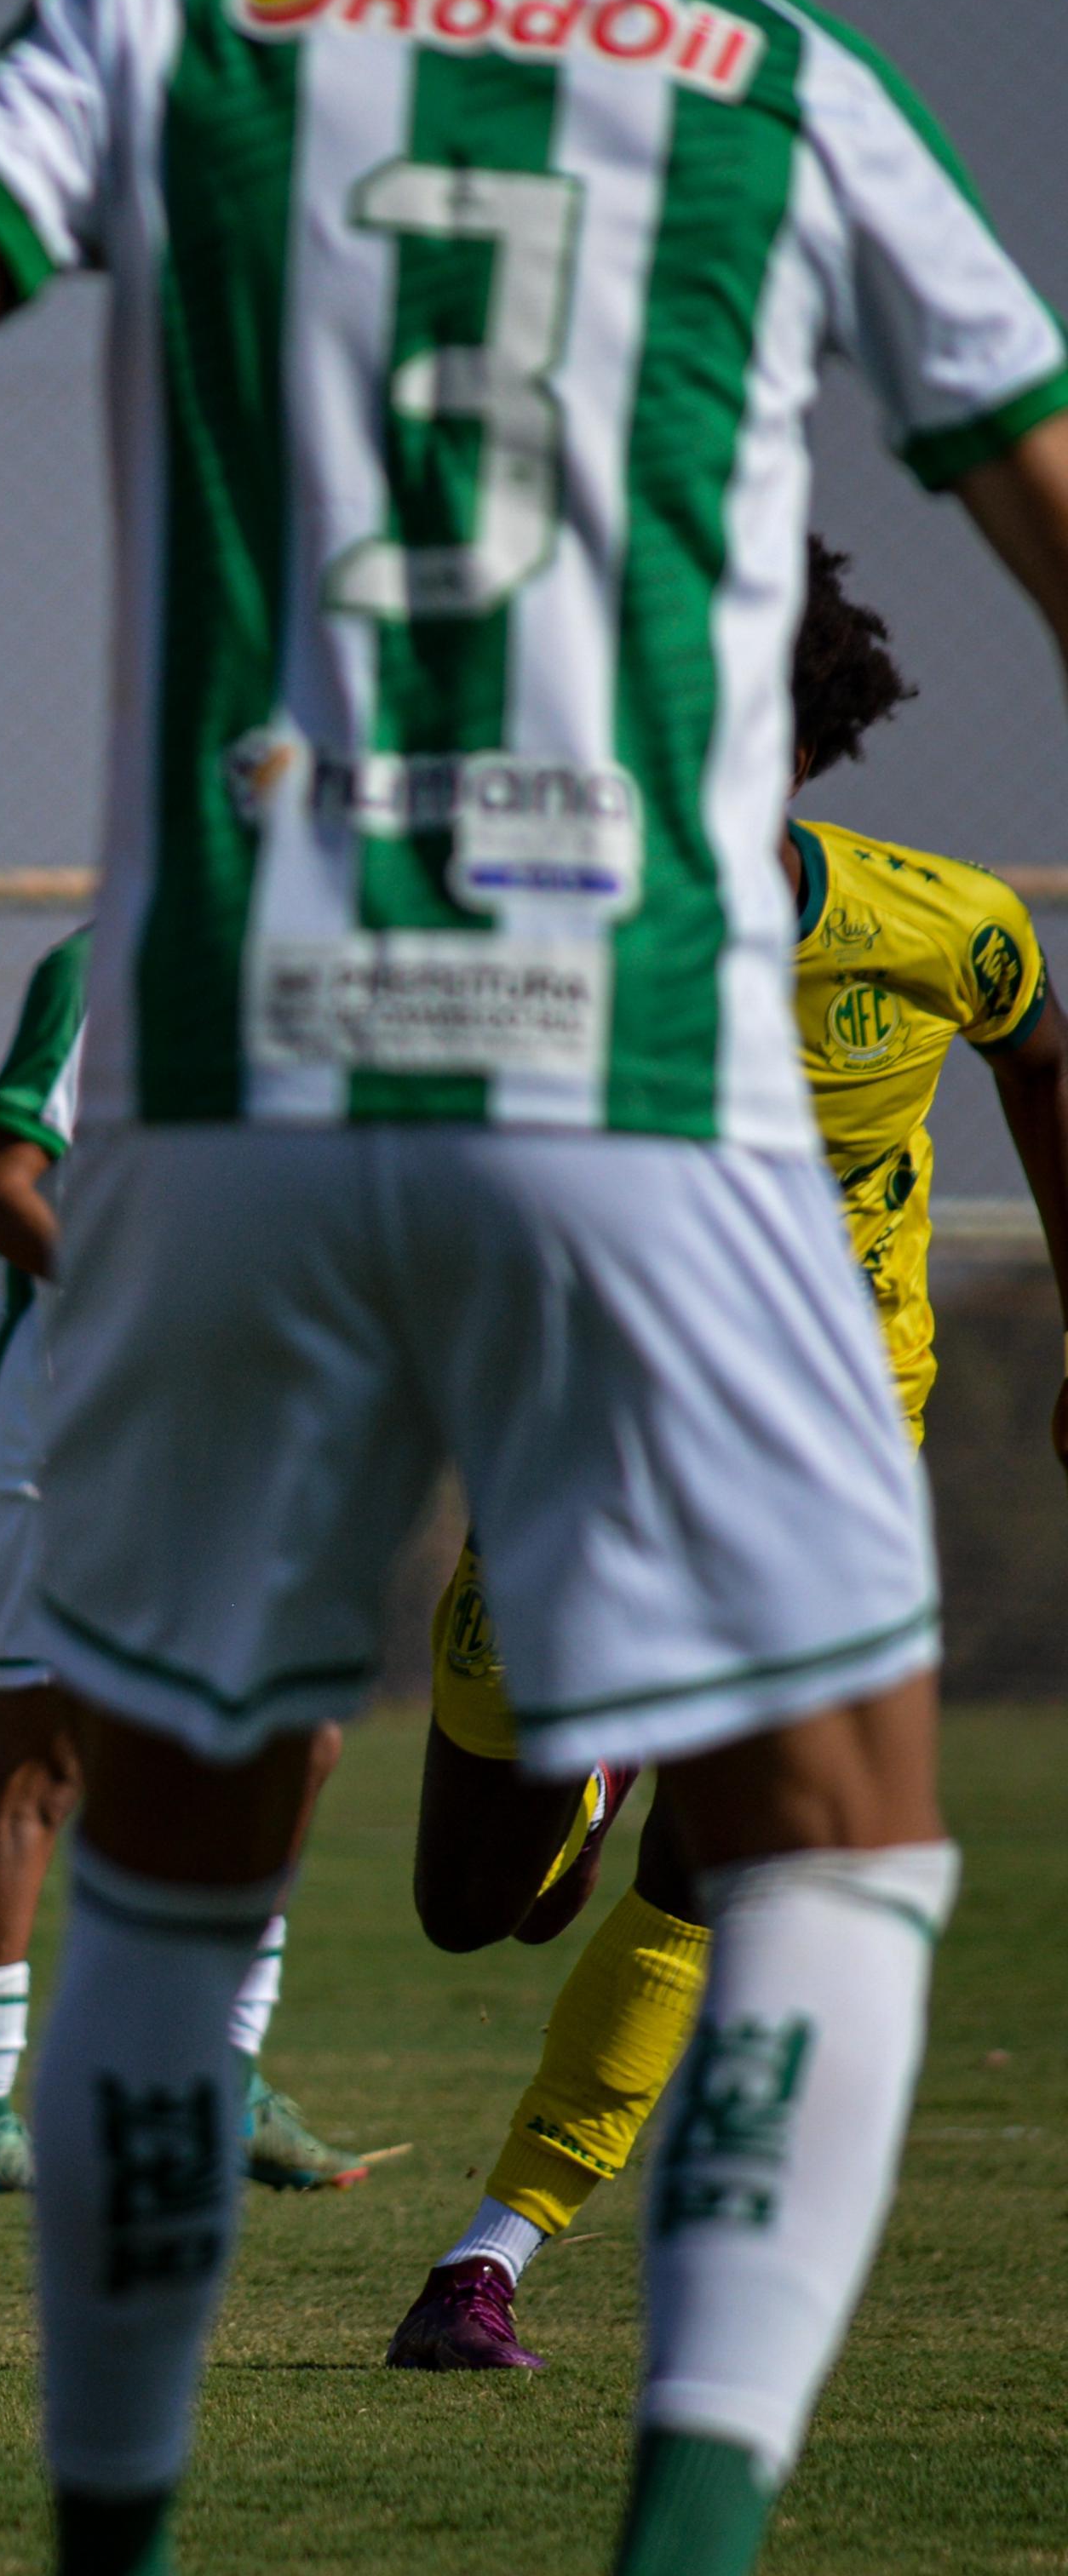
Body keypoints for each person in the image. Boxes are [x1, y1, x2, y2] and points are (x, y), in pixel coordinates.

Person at [0, 0, 1068, 2570]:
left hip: (245, 1051)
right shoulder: (769, 57)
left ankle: (113, 2537)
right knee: (839, 1831)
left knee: (175, 1847)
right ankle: (678, 2529)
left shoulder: (164, 5)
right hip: (638, 1061)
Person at [391, 540, 1068, 2370]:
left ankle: (486, 2262)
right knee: (477, 1911)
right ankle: (586, 1769)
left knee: (725, 1867)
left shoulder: (937, 923)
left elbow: (1040, 1054)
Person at [0, 925, 370, 2197]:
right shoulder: (104, 963)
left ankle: (221, 2077)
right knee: (42, 1761)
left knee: (296, 1733)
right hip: (76, 1422)